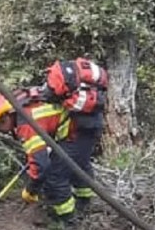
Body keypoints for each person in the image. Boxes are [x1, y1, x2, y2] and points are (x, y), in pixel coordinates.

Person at [0, 88, 77, 228]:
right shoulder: (20, 107)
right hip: (71, 127)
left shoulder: (25, 125)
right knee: (55, 172)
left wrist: (30, 189)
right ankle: (76, 205)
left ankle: (69, 222)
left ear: (3, 119)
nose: (0, 132)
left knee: (54, 176)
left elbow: (42, 167)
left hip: (75, 131)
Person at [39, 57, 108, 215]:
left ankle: (65, 219)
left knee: (55, 175)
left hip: (79, 133)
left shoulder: (65, 90)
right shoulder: (85, 92)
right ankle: (84, 204)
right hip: (89, 128)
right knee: (81, 167)